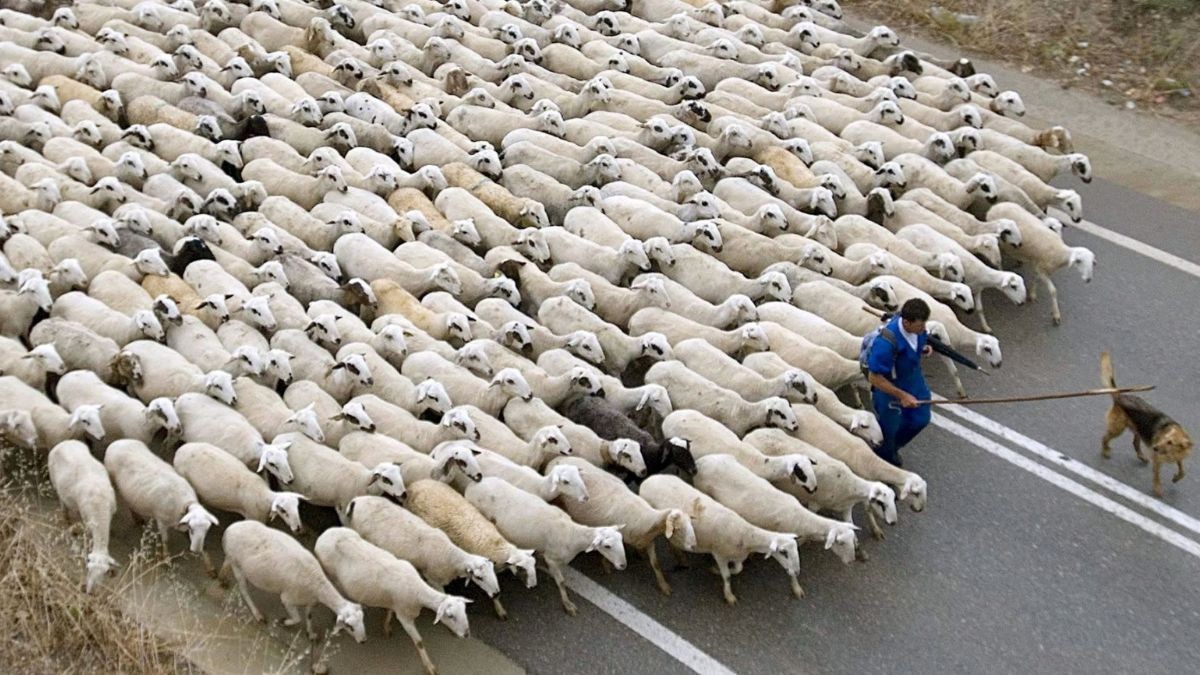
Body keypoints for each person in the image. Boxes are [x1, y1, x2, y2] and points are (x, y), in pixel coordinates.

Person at [866, 299, 934, 467]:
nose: (923, 329)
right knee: (889, 429)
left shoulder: (918, 330)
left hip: (912, 380)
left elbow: (918, 341)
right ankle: (883, 458)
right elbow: (874, 377)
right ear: (906, 322)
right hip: (890, 388)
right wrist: (902, 396)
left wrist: (922, 348)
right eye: (920, 325)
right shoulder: (886, 343)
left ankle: (893, 447)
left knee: (921, 419)